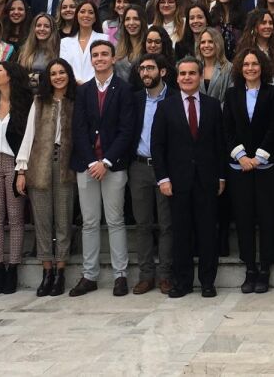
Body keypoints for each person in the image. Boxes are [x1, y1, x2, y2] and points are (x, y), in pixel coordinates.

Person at [150, 56, 227, 298]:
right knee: (181, 234)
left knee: (207, 233)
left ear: (199, 75)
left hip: (207, 180)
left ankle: (207, 282)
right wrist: (163, 179)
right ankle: (182, 282)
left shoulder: (213, 105)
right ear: (177, 77)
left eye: (192, 73)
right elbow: (157, 146)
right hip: (177, 182)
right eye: (183, 73)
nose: (187, 77)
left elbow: (220, 144)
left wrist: (221, 176)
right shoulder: (165, 107)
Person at [69, 40, 136, 297]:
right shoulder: (84, 91)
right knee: (89, 222)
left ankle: (120, 275)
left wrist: (106, 161)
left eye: (104, 54)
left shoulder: (124, 89)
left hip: (113, 166)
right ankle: (89, 276)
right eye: (95, 55)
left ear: (113, 58)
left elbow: (126, 130)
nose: (99, 58)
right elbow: (78, 129)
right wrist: (91, 162)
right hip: (86, 166)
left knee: (115, 220)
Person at [15, 58, 78, 297]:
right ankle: (47, 271)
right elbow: (28, 135)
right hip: (39, 164)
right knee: (42, 221)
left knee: (63, 220)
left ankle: (60, 271)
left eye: (62, 72)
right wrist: (21, 170)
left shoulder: (75, 101)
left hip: (66, 166)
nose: (58, 77)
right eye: (53, 73)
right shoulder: (39, 101)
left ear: (69, 75)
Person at [221, 49, 274, 294]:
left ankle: (265, 269)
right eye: (246, 64)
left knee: (267, 218)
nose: (250, 68)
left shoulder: (273, 93)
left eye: (255, 64)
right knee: (244, 218)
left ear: (262, 67)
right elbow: (227, 129)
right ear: (240, 68)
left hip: (266, 167)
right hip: (240, 167)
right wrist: (242, 157)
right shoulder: (231, 94)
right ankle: (249, 268)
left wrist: (258, 158)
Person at [0, 61, 31, 295]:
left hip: (15, 163)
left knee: (15, 218)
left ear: (10, 76)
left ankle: (12, 268)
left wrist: (23, 170)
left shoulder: (24, 104)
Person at [130, 53, 176, 295]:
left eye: (150, 68)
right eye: (142, 69)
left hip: (166, 168)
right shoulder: (135, 99)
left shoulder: (174, 98)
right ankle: (146, 275)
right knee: (143, 224)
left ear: (162, 72)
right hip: (139, 167)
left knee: (167, 224)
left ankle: (166, 275)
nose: (145, 73)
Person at [59, 0, 109, 84]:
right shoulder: (64, 42)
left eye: (90, 12)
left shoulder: (105, 39)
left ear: (95, 18)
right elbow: (63, 68)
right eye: (82, 12)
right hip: (72, 87)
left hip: (97, 87)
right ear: (77, 16)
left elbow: (106, 66)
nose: (86, 15)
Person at [16, 13, 59, 85]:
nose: (42, 29)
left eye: (46, 26)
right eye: (38, 25)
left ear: (52, 30)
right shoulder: (24, 50)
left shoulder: (59, 50)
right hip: (27, 90)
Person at [195, 28, 233, 100]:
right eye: (203, 42)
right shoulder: (195, 68)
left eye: (210, 42)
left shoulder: (229, 68)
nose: (206, 45)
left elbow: (231, 98)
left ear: (218, 44)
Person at [114, 5, 148, 82]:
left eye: (136, 19)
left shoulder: (148, 47)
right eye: (127, 19)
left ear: (142, 21)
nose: (131, 23)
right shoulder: (117, 48)